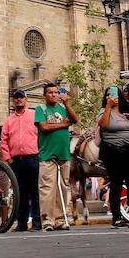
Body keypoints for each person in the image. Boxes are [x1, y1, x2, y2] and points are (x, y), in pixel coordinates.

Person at [35, 82, 77, 231]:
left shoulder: (63, 108)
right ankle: (47, 221)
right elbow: (44, 127)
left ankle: (60, 219)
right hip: (47, 155)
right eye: (50, 92)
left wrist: (67, 103)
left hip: (63, 153)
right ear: (45, 95)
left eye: (56, 92)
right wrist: (63, 125)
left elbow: (75, 120)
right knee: (47, 189)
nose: (53, 95)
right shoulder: (41, 109)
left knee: (63, 187)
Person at [98, 86, 129, 228]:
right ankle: (117, 217)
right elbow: (103, 125)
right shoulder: (104, 111)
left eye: (114, 94)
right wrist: (109, 107)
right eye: (108, 95)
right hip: (113, 151)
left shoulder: (127, 112)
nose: (111, 97)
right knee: (116, 183)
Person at [0, 88, 42, 231]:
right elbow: (4, 140)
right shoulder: (9, 120)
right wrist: (8, 158)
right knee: (20, 193)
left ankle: (37, 223)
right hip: (16, 161)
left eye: (21, 97)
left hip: (33, 159)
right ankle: (22, 224)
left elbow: (41, 135)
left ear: (26, 99)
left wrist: (40, 155)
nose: (18, 100)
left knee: (35, 192)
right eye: (16, 97)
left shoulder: (34, 115)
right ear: (13, 100)